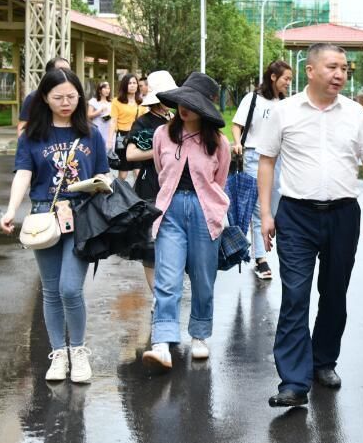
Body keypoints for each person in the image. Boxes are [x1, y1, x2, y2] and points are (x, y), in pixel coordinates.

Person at [257, 43, 363, 408]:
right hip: (296, 214)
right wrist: (266, 213)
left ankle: (323, 361)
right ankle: (294, 382)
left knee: (334, 293)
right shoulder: (284, 112)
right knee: (295, 295)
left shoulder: (356, 114)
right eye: (332, 67)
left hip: (343, 214)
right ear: (310, 71)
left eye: (344, 68)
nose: (340, 74)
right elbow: (266, 162)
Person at [0, 69, 110, 383]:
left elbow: (105, 174)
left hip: (83, 218)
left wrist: (99, 186)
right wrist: (11, 210)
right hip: (43, 218)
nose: (65, 103)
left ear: (80, 97)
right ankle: (58, 353)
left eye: (71, 97)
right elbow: (22, 174)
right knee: (50, 291)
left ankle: (78, 350)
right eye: (58, 97)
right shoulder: (33, 136)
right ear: (44, 98)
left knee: (69, 288)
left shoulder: (91, 133)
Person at [142, 72, 231, 370]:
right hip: (169, 210)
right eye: (182, 102)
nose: (184, 108)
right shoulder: (161, 135)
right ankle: (163, 342)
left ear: (204, 108)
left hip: (206, 211)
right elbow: (160, 170)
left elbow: (219, 180)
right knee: (167, 279)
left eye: (192, 104)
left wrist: (212, 208)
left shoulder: (218, 142)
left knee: (204, 280)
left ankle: (200, 336)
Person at [231, 60, 293, 281]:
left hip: (279, 160)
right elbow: (237, 125)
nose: (288, 83)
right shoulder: (253, 99)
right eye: (286, 78)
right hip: (254, 158)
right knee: (258, 209)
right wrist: (237, 142)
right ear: (273, 77)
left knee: (272, 209)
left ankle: (259, 251)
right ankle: (261, 259)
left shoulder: (286, 104)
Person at [124, 71, 178, 295]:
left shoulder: (176, 120)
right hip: (149, 187)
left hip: (174, 186)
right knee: (150, 247)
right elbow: (130, 155)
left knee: (171, 242)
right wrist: (159, 149)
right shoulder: (143, 122)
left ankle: (167, 293)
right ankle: (157, 297)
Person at [17, 56, 72, 136]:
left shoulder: (75, 96)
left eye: (68, 71)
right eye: (61, 70)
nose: (65, 74)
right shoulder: (33, 97)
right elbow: (22, 127)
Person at [109, 74, 146, 181]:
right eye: (129, 83)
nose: (132, 85)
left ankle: (137, 196)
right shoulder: (117, 101)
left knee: (138, 170)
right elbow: (113, 121)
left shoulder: (141, 102)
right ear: (125, 85)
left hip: (138, 137)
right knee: (123, 173)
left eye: (134, 83)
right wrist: (109, 140)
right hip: (123, 138)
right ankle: (120, 195)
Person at [87, 81, 112, 147]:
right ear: (99, 90)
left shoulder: (111, 103)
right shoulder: (93, 101)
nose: (107, 90)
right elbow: (89, 115)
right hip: (97, 128)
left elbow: (113, 117)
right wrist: (99, 111)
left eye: (108, 88)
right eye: (105, 88)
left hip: (108, 129)